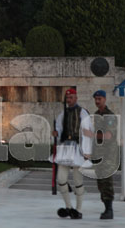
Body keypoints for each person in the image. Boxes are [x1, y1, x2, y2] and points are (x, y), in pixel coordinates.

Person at [50, 88, 92, 220]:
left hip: (78, 148)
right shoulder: (63, 113)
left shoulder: (83, 112)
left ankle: (78, 210)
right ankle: (68, 207)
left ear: (76, 98)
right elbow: (59, 128)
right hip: (65, 148)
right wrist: (55, 133)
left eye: (71, 97)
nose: (69, 100)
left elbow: (87, 131)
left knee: (78, 180)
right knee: (61, 179)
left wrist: (86, 151)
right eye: (67, 98)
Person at [92, 90, 117, 220]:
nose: (97, 101)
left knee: (106, 182)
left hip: (108, 154)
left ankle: (109, 209)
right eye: (96, 99)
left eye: (99, 99)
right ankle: (106, 207)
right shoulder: (96, 115)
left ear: (105, 99)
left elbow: (108, 135)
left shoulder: (110, 116)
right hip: (99, 154)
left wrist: (92, 135)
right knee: (100, 183)